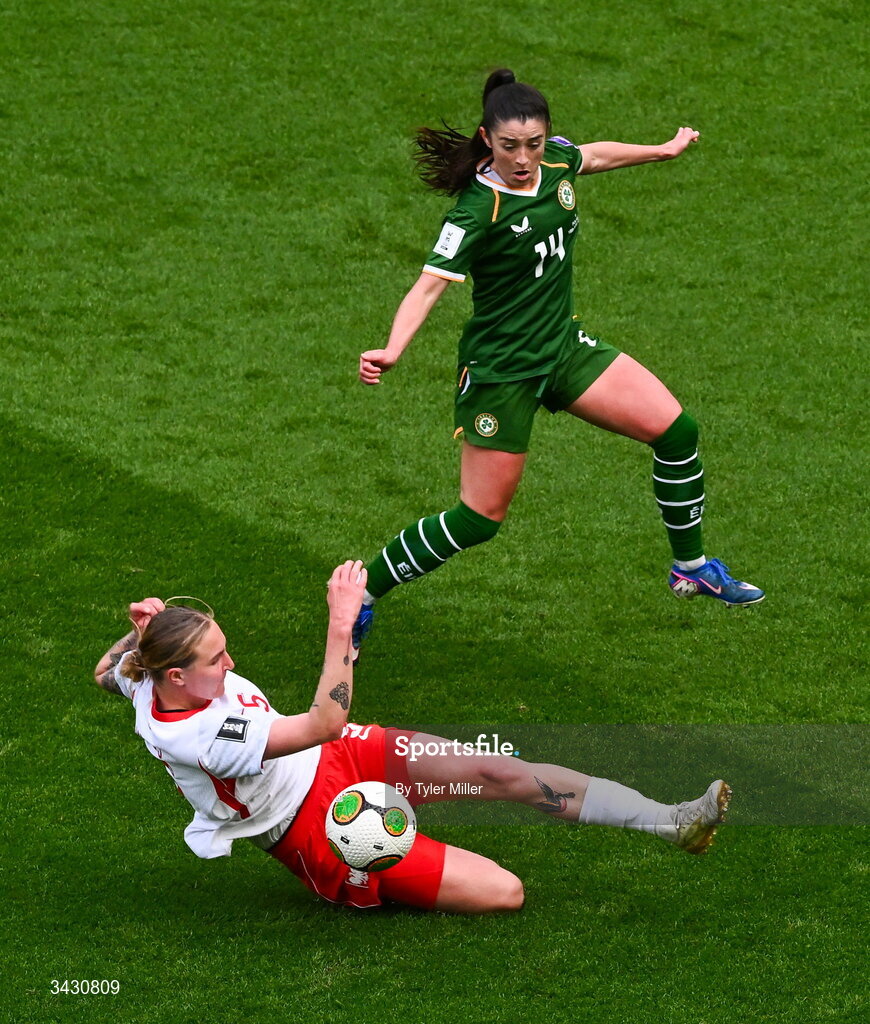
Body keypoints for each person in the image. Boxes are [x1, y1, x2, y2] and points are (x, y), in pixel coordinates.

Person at [354, 68, 763, 655]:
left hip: (563, 349)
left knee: (677, 432)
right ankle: (363, 594)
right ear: (487, 140)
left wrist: (664, 149)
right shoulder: (475, 211)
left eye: (535, 144)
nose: (524, 158)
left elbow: (592, 155)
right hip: (501, 374)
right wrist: (393, 349)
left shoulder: (556, 165)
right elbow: (426, 287)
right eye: (510, 146)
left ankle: (691, 567)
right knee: (478, 519)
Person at [94, 560, 732, 913]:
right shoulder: (205, 736)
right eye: (217, 659)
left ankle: (669, 821)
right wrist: (341, 625)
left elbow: (107, 673)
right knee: (505, 893)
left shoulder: (148, 677)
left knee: (498, 770)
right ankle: (376, 863)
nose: (230, 665)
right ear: (178, 677)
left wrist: (137, 632)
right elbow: (323, 718)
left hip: (340, 755)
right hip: (316, 828)